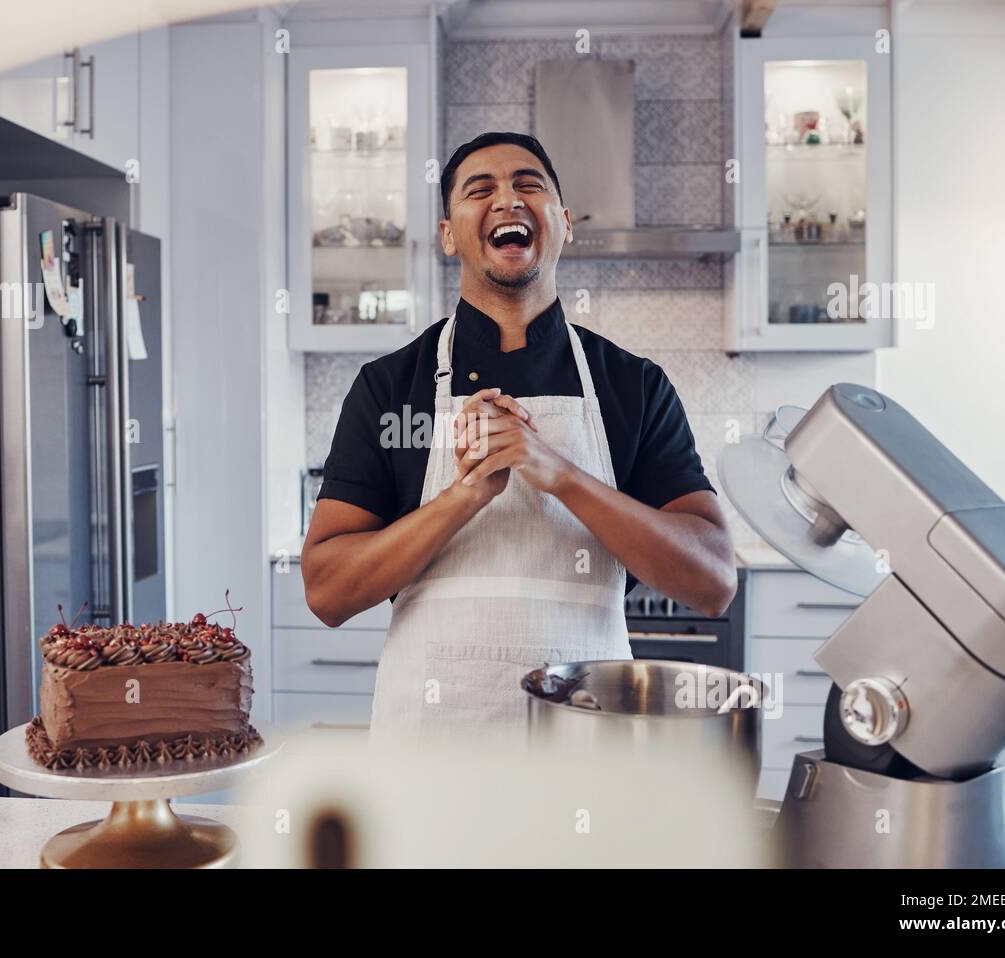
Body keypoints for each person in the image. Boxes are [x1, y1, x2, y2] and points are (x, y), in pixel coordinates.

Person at [301, 131, 736, 745]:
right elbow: (327, 592)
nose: (507, 199)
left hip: (587, 751)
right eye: (480, 190)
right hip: (434, 758)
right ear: (450, 233)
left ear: (563, 222)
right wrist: (464, 496)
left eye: (528, 185)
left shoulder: (633, 386)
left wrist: (559, 474)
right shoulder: (389, 387)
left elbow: (713, 581)